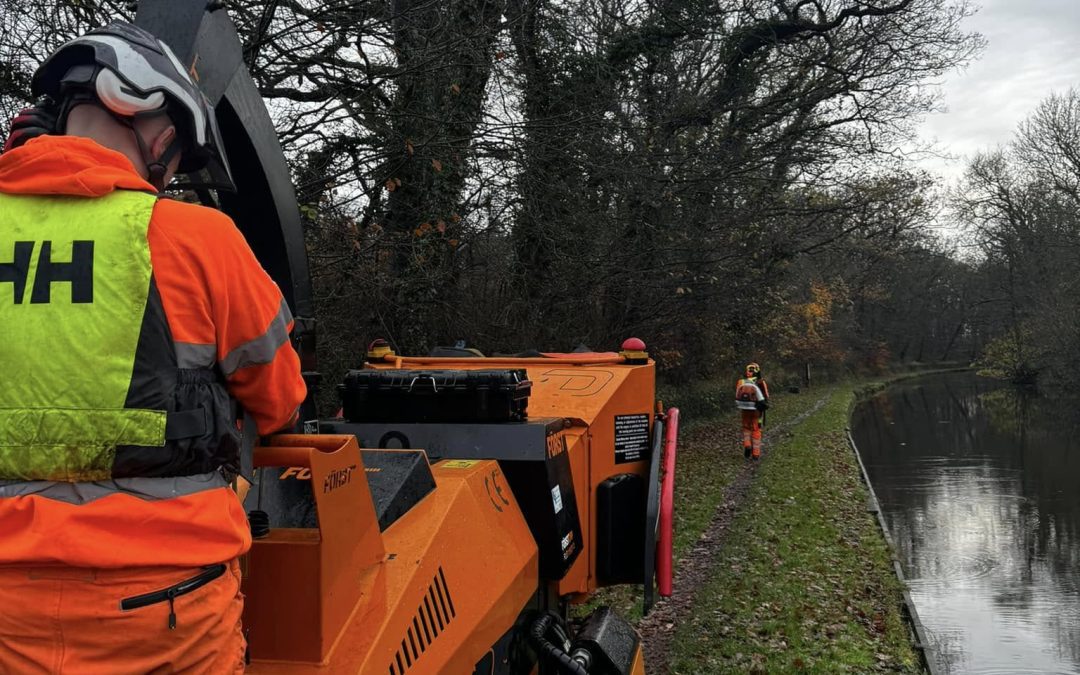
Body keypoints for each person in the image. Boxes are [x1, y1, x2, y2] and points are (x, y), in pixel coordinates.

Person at [0, 21, 305, 673]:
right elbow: (279, 398)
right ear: (140, 110)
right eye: (172, 141)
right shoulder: (197, 239)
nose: (168, 164)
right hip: (165, 614)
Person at [735, 362, 770, 459]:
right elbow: (766, 395)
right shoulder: (760, 381)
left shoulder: (741, 381)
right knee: (756, 429)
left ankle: (747, 445)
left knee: (746, 428)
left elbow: (738, 394)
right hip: (756, 410)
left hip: (744, 409)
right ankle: (756, 454)